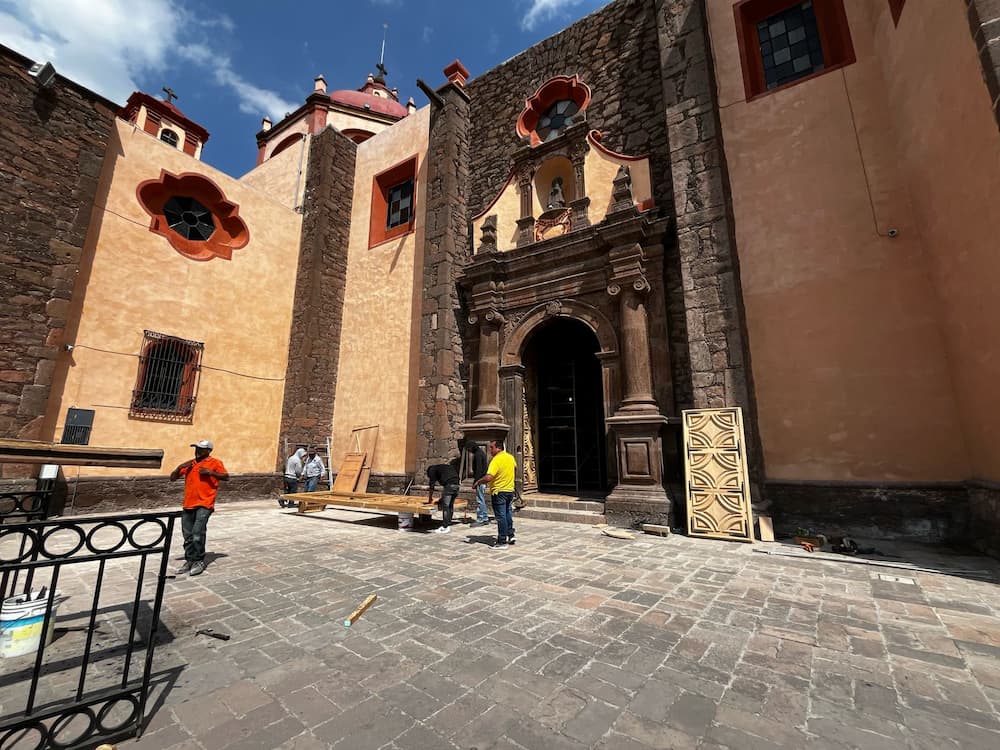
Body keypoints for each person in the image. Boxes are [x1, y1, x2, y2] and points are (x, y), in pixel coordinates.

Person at [169, 439, 228, 576]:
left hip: (205, 503)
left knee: (197, 533)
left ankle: (199, 560)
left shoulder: (215, 463)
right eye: (196, 448)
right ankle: (189, 559)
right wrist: (179, 467)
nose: (197, 451)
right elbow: (172, 478)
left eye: (201, 449)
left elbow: (226, 476)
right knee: (188, 535)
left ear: (208, 451)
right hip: (188, 504)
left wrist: (211, 473)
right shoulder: (190, 464)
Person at [473, 439, 517, 550]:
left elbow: (489, 477)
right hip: (509, 490)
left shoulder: (496, 460)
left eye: (491, 447)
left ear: (498, 448)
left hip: (499, 492)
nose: (490, 450)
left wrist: (478, 482)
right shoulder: (510, 457)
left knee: (501, 516)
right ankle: (510, 535)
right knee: (507, 513)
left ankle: (502, 541)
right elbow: (515, 468)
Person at [426, 460, 460, 534]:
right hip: (457, 484)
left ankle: (445, 527)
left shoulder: (432, 470)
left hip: (449, 485)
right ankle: (448, 523)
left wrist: (430, 499)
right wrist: (441, 500)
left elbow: (432, 486)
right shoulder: (441, 468)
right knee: (450, 505)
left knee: (446, 506)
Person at [466, 441, 490, 528]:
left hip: (480, 480)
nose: (469, 451)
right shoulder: (480, 453)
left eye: (469, 449)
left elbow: (479, 470)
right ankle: (485, 517)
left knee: (480, 500)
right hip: (482, 480)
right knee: (481, 499)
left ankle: (481, 518)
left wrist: (476, 481)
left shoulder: (478, 455)